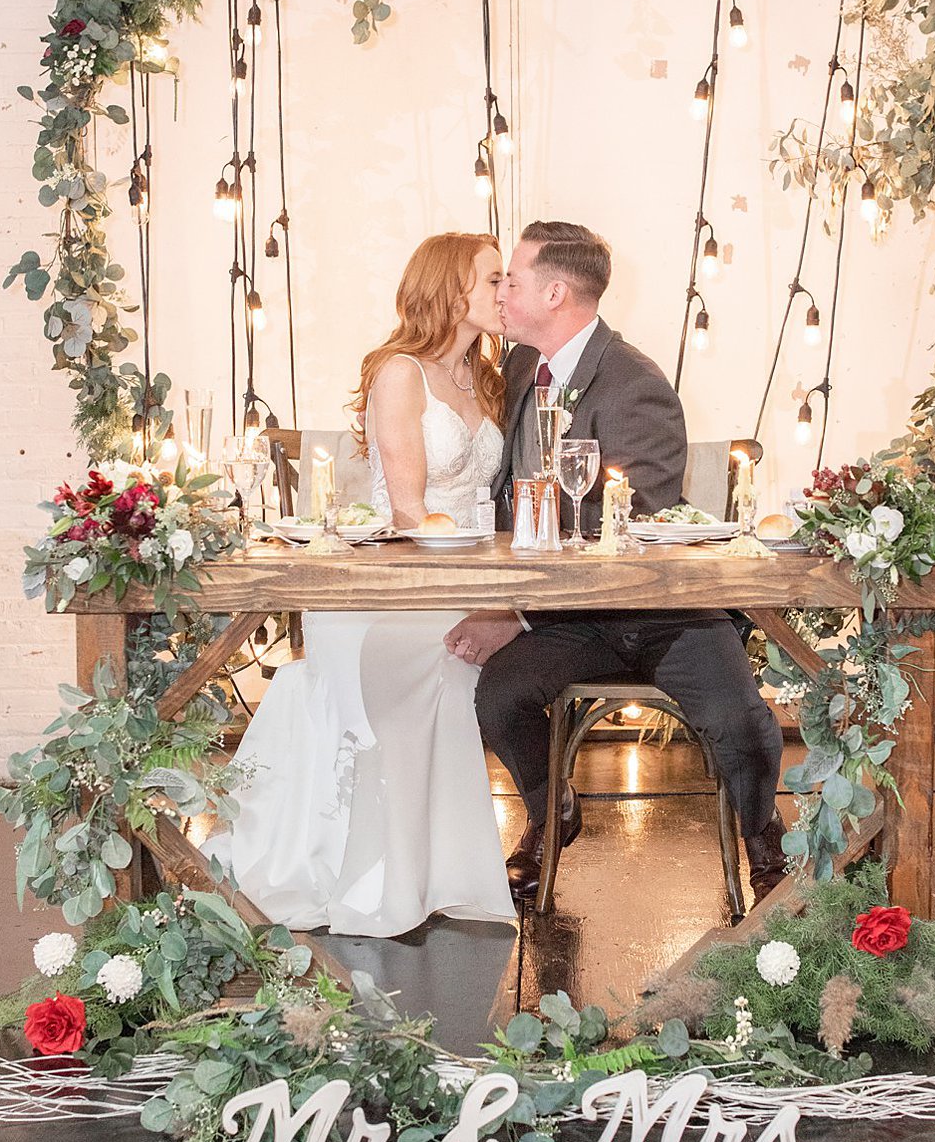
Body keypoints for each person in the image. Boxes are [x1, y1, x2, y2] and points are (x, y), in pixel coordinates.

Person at [443, 218, 788, 903]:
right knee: (500, 694)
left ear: (554, 294)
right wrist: (513, 610)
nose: (503, 294)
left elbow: (637, 525)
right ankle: (552, 813)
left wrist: (521, 612)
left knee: (737, 717)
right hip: (575, 624)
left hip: (662, 615)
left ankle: (765, 843)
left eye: (513, 280)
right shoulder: (516, 370)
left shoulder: (636, 384)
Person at [212, 233, 516, 938]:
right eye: (494, 279)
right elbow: (408, 508)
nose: (507, 292)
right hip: (396, 578)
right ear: (450, 288)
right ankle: (376, 874)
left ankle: (436, 872)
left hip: (474, 572)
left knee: (477, 652)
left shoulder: (491, 377)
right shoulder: (399, 372)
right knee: (439, 655)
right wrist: (472, 583)